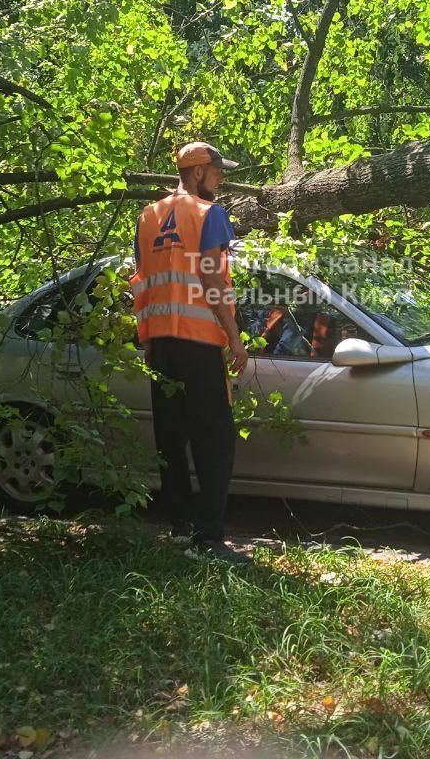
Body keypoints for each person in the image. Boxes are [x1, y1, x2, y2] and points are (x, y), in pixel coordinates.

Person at [131, 141, 251, 564]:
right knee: (215, 440)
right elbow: (213, 280)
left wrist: (148, 341)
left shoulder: (148, 217)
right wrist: (234, 338)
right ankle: (210, 540)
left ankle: (179, 528)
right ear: (198, 173)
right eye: (218, 171)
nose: (222, 178)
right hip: (199, 344)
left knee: (172, 436)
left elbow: (142, 281)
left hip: (161, 346)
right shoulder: (209, 214)